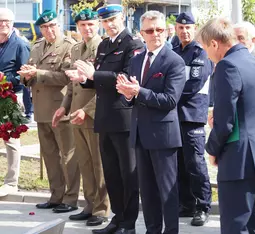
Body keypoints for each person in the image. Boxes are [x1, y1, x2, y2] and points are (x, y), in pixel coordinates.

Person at [67, 4, 144, 234]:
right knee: (111, 173)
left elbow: (128, 77)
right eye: (105, 21)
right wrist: (84, 79)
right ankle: (117, 219)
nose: (109, 25)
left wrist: (94, 74)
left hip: (124, 118)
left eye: (113, 20)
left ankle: (128, 224)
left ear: (122, 18)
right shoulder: (105, 45)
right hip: (104, 118)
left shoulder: (133, 43)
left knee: (127, 174)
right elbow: (97, 80)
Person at [199, 17, 255, 234]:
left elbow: (225, 121)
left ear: (214, 43)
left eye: (206, 48)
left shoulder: (227, 65)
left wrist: (212, 149)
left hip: (238, 158)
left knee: (235, 226)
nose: (207, 55)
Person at [116, 10, 186, 234]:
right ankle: (152, 229)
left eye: (159, 29)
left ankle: (171, 230)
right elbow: (134, 96)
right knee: (146, 191)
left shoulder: (174, 61)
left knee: (167, 191)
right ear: (141, 33)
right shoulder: (137, 59)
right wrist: (127, 94)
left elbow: (170, 100)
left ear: (166, 31)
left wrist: (138, 91)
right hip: (140, 133)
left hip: (163, 136)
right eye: (150, 30)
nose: (155, 34)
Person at [18, 10, 80, 213]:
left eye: (52, 25)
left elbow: (67, 77)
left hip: (60, 107)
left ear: (59, 25)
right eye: (44, 27)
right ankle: (56, 195)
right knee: (49, 155)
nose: (48, 30)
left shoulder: (69, 46)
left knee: (67, 154)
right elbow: (28, 72)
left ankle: (70, 199)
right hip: (41, 108)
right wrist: (26, 76)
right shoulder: (37, 46)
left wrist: (38, 73)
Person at [53, 9, 110, 226]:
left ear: (98, 25)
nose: (87, 28)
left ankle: (102, 208)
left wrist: (86, 110)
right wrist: (63, 107)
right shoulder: (77, 48)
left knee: (98, 164)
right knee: (85, 163)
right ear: (77, 27)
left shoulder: (103, 47)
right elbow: (72, 83)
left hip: (94, 113)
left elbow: (103, 87)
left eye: (91, 24)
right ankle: (89, 204)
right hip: (76, 113)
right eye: (83, 24)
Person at [172, 11, 212, 226]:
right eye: (181, 27)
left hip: (192, 115)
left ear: (194, 28)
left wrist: (168, 94)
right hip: (174, 115)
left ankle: (203, 205)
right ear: (176, 29)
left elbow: (194, 84)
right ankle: (186, 204)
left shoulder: (200, 52)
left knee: (195, 163)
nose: (185, 31)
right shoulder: (174, 50)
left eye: (188, 27)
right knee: (179, 162)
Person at [0, 8, 30, 197]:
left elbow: (26, 75)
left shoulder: (20, 44)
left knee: (11, 140)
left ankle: (11, 182)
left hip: (10, 97)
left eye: (7, 21)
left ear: (13, 23)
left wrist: (5, 78)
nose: (3, 24)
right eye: (0, 21)